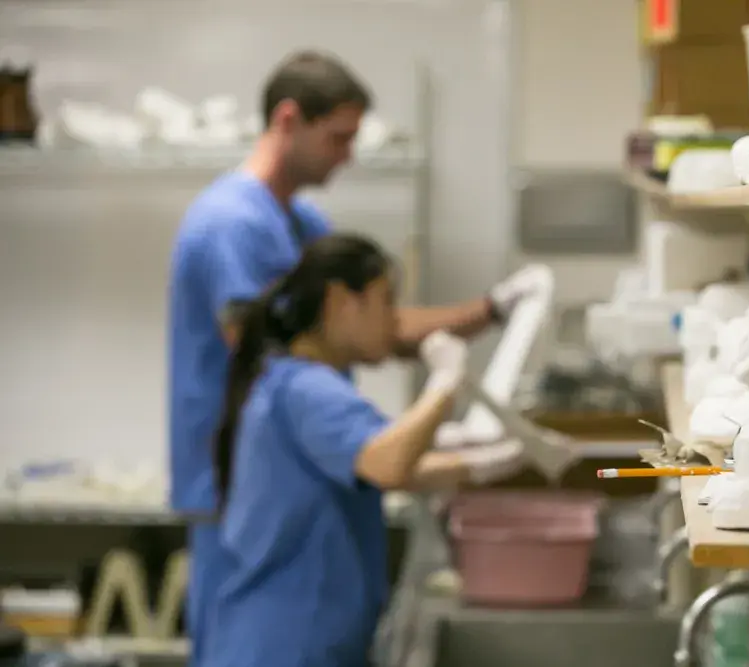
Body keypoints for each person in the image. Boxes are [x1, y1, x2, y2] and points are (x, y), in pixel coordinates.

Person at [167, 50, 544, 665]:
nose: (348, 156)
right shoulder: (232, 228)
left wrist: (492, 310)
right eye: (338, 137)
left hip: (316, 487)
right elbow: (335, 353)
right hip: (244, 494)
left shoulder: (300, 222)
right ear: (288, 120)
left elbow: (376, 329)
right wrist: (443, 389)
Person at [202, 233, 505, 667]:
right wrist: (444, 385)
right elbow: (389, 465)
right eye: (386, 302)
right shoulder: (308, 389)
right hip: (285, 648)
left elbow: (387, 462)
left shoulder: (302, 383)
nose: (395, 322)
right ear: (342, 301)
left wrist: (480, 465)